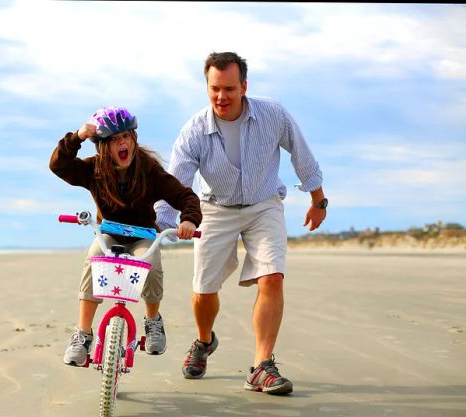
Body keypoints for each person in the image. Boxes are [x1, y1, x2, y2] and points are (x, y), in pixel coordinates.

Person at [155, 52, 328, 394]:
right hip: (214, 208)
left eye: (230, 89)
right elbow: (175, 182)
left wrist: (318, 199)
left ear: (244, 86)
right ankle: (204, 342)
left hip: (264, 205)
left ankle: (261, 366)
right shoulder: (194, 131)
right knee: (204, 290)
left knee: (273, 277)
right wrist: (162, 222)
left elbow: (301, 153)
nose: (222, 97)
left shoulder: (273, 114)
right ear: (207, 87)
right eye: (215, 89)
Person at [50, 107, 202, 366]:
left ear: (133, 139)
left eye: (126, 137)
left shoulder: (148, 169)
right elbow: (58, 165)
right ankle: (83, 334)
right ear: (102, 147)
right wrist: (78, 136)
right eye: (113, 140)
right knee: (95, 256)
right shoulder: (93, 169)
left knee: (150, 262)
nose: (122, 143)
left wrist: (188, 219)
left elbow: (185, 196)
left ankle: (153, 321)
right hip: (109, 233)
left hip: (143, 235)